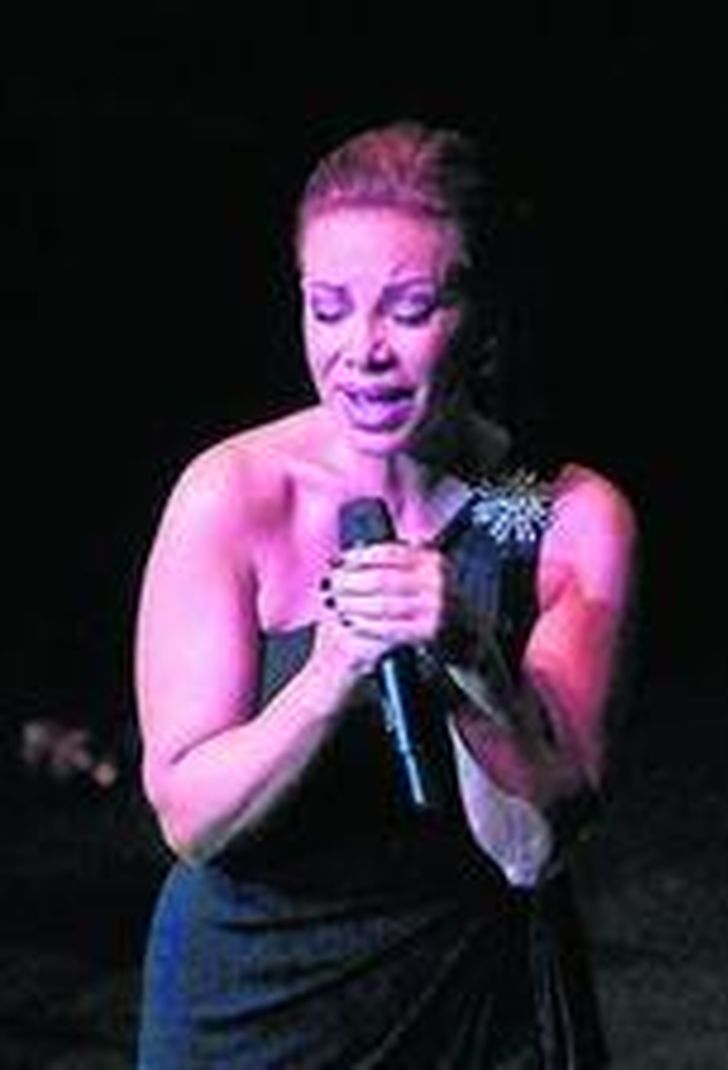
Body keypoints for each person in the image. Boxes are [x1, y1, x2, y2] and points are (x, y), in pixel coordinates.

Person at [134, 120, 635, 1067]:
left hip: (474, 997)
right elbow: (192, 823)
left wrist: (472, 664)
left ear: (482, 319)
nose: (360, 351)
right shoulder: (234, 494)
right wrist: (330, 674)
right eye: (327, 309)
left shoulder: (564, 515)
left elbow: (530, 851)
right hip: (252, 1007)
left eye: (408, 310)